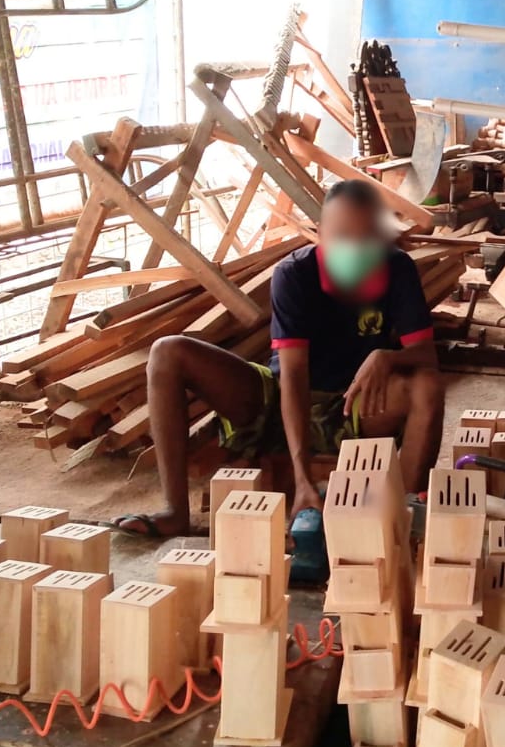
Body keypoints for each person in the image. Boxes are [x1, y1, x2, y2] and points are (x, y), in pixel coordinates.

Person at [116, 180, 445, 568]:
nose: (354, 249)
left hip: (351, 405)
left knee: (427, 386)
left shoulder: (397, 269)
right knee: (167, 352)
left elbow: (426, 357)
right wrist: (303, 481)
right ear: (320, 233)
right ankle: (175, 512)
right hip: (279, 398)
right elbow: (292, 376)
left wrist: (387, 358)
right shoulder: (294, 274)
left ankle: (398, 522)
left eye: (365, 238)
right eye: (342, 237)